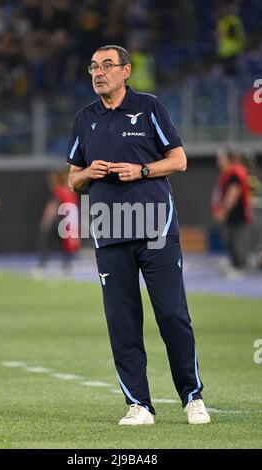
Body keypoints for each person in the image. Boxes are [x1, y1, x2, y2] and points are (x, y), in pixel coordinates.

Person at [67, 45, 210, 426]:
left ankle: (192, 397)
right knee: (122, 321)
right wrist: (89, 173)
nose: (99, 72)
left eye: (108, 65)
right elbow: (73, 178)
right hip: (109, 231)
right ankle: (139, 405)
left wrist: (143, 171)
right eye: (94, 66)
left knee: (172, 314)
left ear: (126, 70)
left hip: (156, 229)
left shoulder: (149, 107)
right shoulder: (84, 118)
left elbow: (178, 160)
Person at [211, 148, 252, 277]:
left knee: (237, 240)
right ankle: (235, 263)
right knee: (230, 239)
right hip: (232, 215)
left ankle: (239, 266)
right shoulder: (227, 173)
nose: (219, 162)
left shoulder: (235, 173)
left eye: (221, 159)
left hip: (237, 214)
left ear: (228, 159)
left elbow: (233, 193)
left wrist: (223, 210)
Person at [33, 169, 81, 279]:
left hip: (58, 221)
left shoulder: (58, 191)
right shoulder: (70, 191)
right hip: (68, 222)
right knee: (64, 245)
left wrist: (46, 222)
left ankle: (41, 266)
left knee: (46, 243)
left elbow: (52, 207)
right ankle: (67, 266)